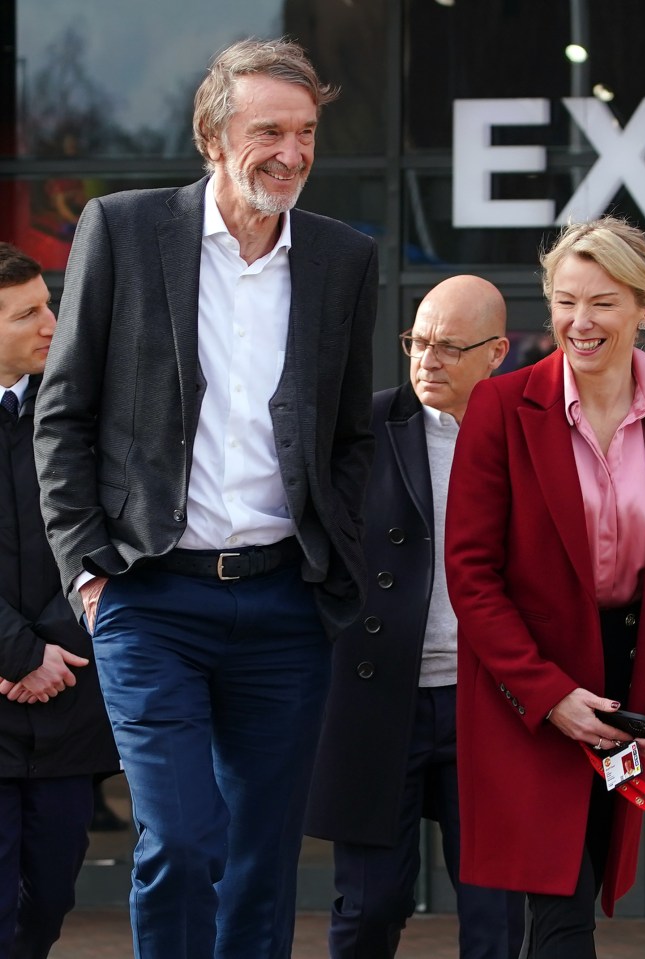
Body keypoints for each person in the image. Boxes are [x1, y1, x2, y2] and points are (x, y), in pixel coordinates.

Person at [33, 38, 378, 959]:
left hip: (283, 601)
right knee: (183, 842)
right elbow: (62, 413)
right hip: (149, 595)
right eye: (269, 130)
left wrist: (326, 560)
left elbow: (350, 437)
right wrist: (87, 572)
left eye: (305, 132)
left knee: (263, 860)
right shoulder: (123, 228)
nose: (292, 153)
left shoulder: (343, 259)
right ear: (212, 136)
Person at [444, 217, 645, 959]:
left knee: (576, 903)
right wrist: (546, 692)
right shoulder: (501, 408)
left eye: (600, 302)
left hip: (626, 680)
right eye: (564, 302)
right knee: (559, 913)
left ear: (642, 305)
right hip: (528, 687)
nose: (579, 322)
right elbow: (470, 574)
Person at [306, 275, 524, 959]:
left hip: (486, 704)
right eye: (417, 342)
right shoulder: (361, 429)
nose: (426, 360)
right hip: (376, 699)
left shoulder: (527, 435)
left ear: (496, 351)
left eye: (448, 347)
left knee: (494, 916)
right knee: (369, 909)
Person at [0, 242, 120, 958]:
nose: (52, 324)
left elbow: (100, 536)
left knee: (50, 893)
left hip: (66, 696)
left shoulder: (79, 414)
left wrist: (48, 650)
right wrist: (15, 652)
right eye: (27, 314)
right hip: (13, 677)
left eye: (49, 306)